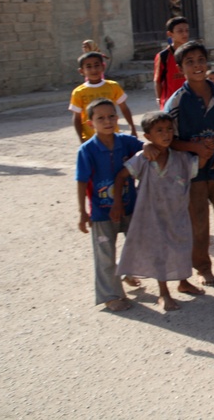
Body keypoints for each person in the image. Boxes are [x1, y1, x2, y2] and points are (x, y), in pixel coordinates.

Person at [164, 40, 214, 286]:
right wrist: (194, 148)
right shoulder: (176, 102)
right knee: (198, 222)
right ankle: (203, 267)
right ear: (181, 68)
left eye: (200, 60)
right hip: (192, 173)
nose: (197, 66)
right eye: (190, 62)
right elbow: (168, 139)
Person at [114, 111, 204, 311]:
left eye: (169, 129)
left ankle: (183, 281)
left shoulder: (180, 158)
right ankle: (163, 293)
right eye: (159, 131)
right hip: (151, 215)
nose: (166, 134)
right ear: (148, 137)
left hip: (178, 213)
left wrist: (202, 149)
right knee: (160, 253)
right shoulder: (143, 158)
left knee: (181, 247)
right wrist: (118, 203)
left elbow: (197, 166)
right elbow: (121, 176)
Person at [75, 98, 144, 311]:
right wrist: (82, 213)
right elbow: (81, 181)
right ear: (90, 123)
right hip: (101, 212)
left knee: (137, 244)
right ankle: (111, 295)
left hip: (129, 205)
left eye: (111, 116)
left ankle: (127, 272)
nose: (107, 121)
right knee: (105, 254)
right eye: (101, 118)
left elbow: (147, 149)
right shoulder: (87, 150)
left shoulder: (127, 142)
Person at [69, 52, 137, 143]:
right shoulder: (78, 92)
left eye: (97, 65)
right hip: (90, 138)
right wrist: (81, 138)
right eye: (89, 67)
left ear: (103, 67)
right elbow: (77, 118)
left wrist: (132, 127)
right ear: (81, 71)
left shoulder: (113, 86)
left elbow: (124, 108)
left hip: (113, 136)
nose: (93, 70)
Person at [154, 16, 190, 108]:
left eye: (187, 30)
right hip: (171, 103)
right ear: (170, 34)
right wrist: (159, 100)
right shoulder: (163, 56)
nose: (184, 34)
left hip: (191, 100)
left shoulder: (192, 53)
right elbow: (158, 81)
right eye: (180, 31)